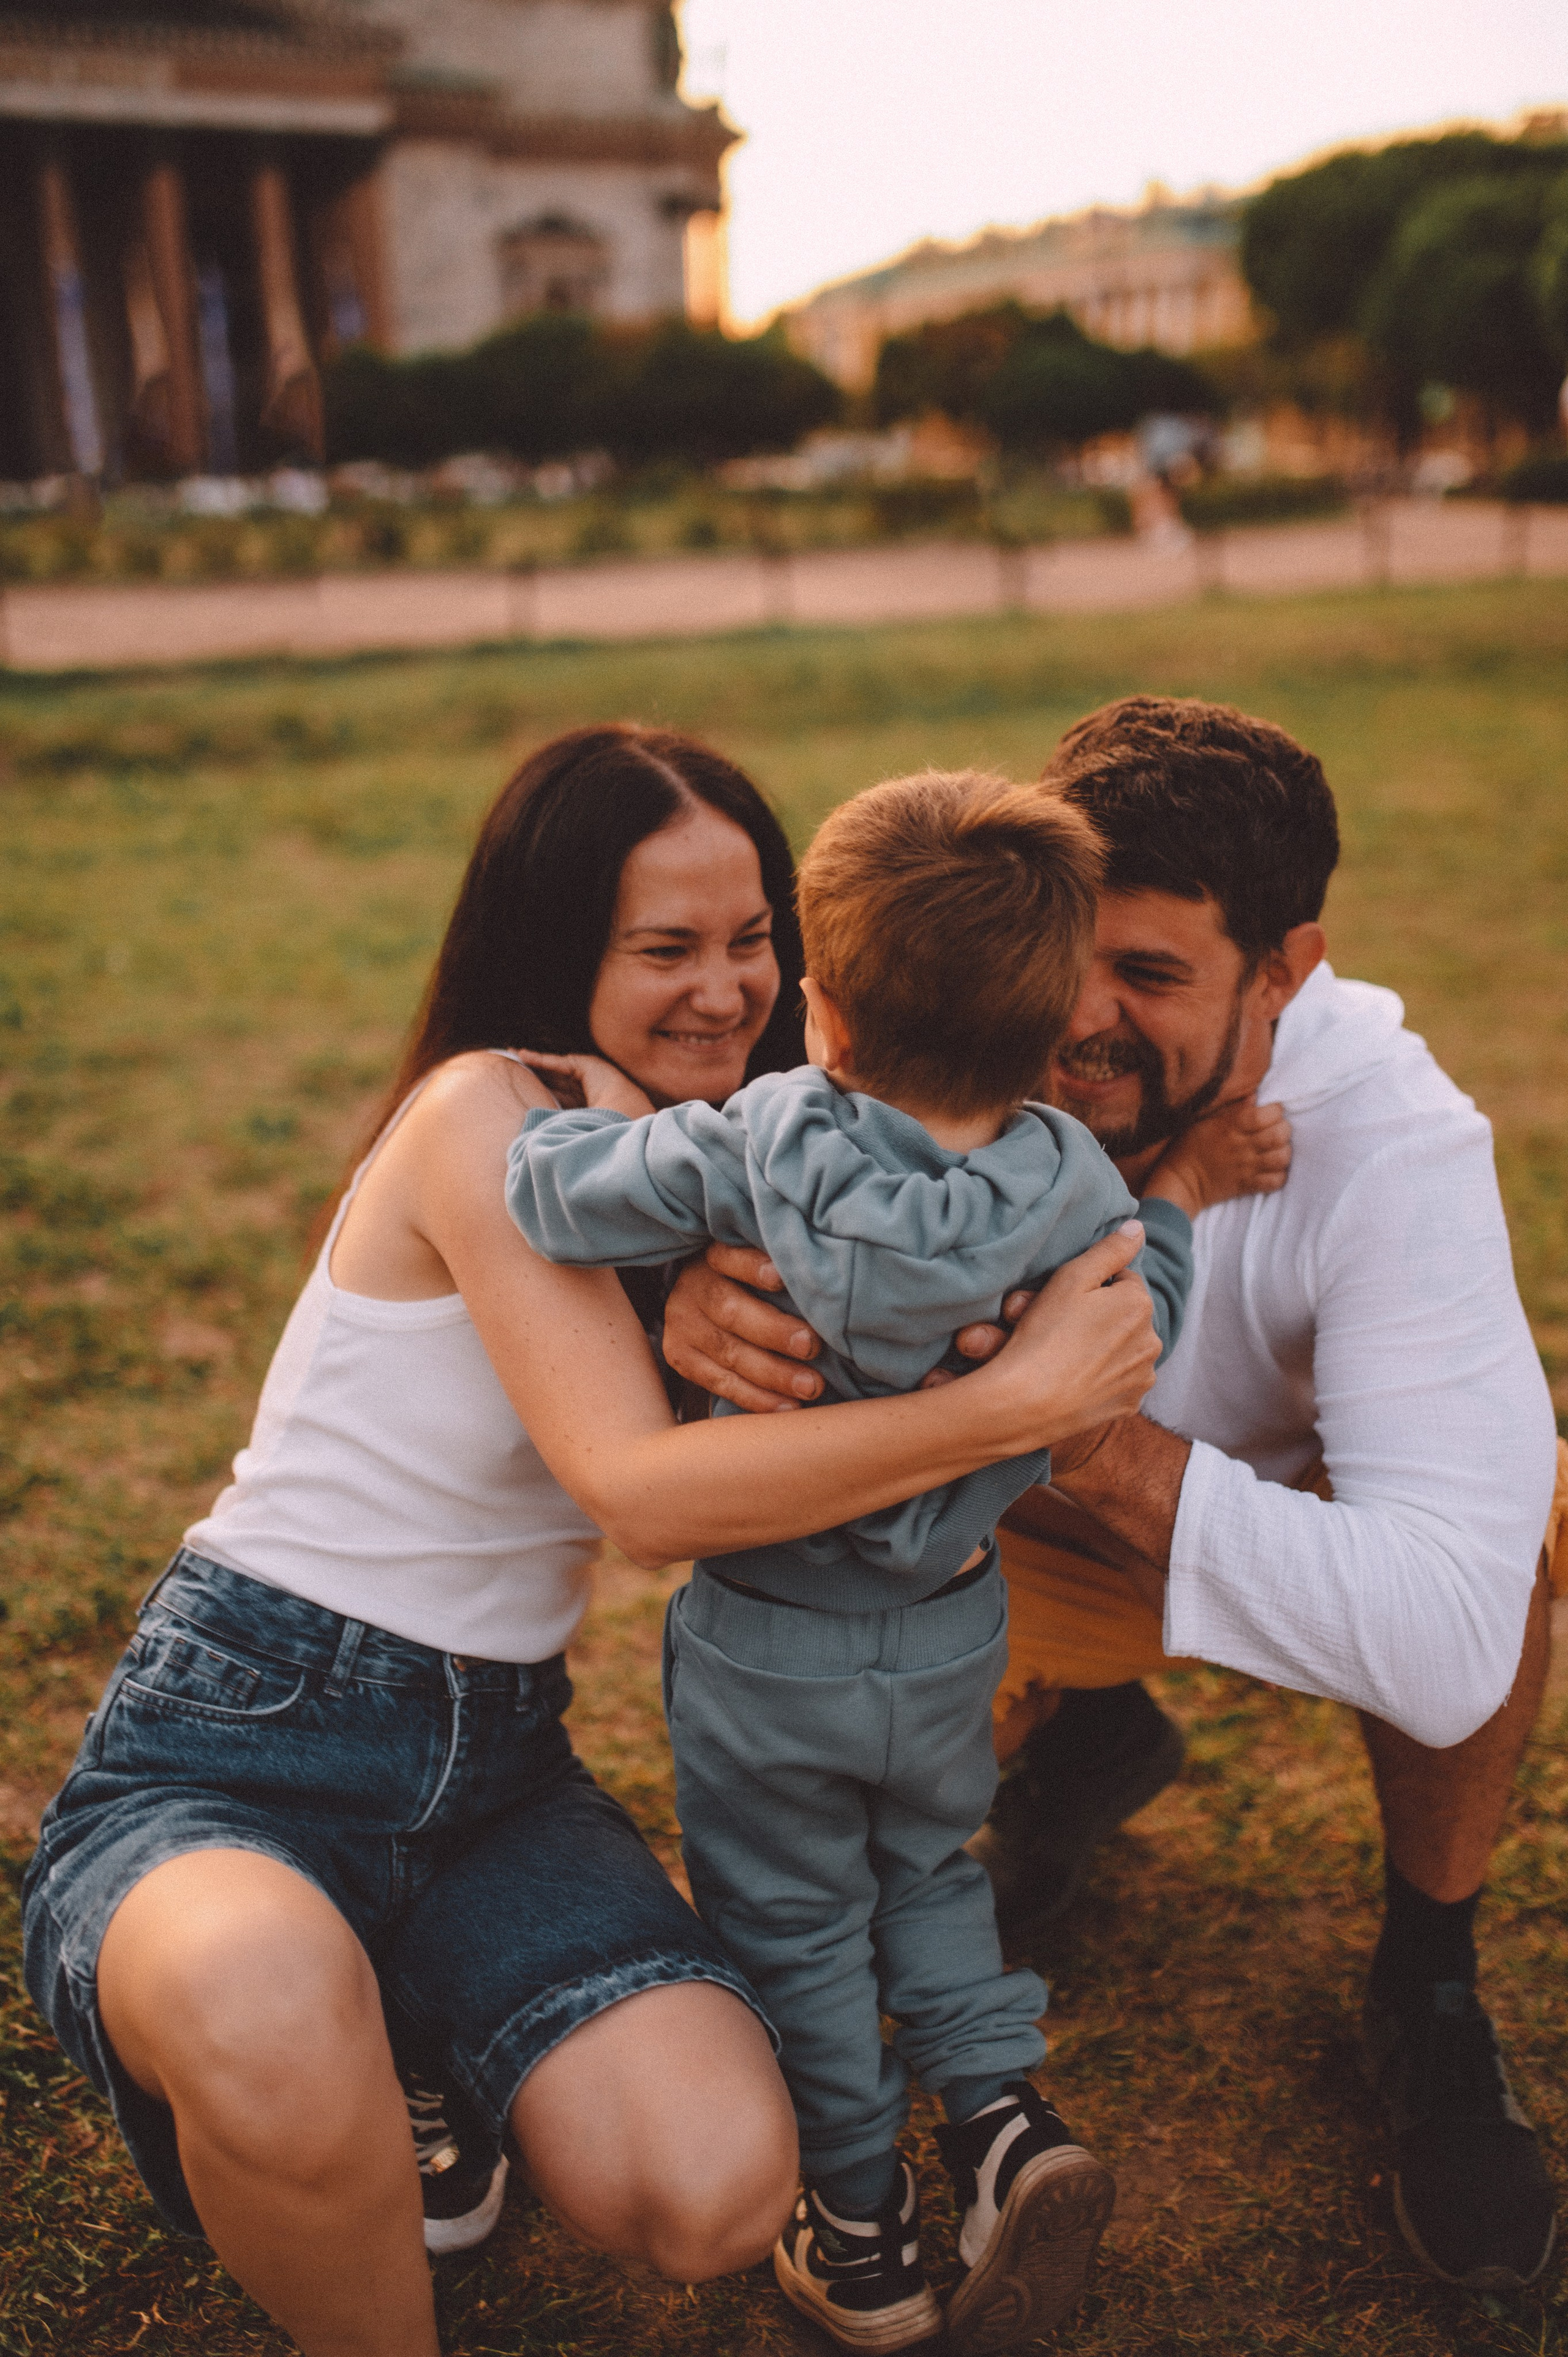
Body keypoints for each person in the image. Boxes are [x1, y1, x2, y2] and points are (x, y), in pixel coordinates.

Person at [22, 725, 1165, 2357]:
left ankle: (401, 2019)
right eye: (666, 949)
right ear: (564, 946)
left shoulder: (781, 1152)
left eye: (756, 938)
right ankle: (339, 2036)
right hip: (249, 1736)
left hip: (495, 1775)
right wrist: (1020, 1402)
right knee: (268, 2006)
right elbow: (635, 1496)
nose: (726, 988)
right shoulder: (494, 1111)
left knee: (713, 2183)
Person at [659, 696, 1566, 2298]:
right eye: (1075, 952)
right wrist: (687, 1296)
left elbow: (1440, 1640)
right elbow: (724, 1144)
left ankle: (1427, 1979)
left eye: (1151, 978)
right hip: (997, 1527)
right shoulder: (969, 1001)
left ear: (1288, 969)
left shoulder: (1394, 1140)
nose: (1078, 1020)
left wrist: (1083, 1432)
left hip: (1234, 1503)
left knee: (1519, 1529)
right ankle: (1074, 1738)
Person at [505, 768, 1289, 2355]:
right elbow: (1144, 1325)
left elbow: (548, 1196)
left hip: (765, 1641)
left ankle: (861, 2230)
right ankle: (1000, 2117)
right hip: (946, 1641)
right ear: (1055, 1022)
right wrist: (1187, 1199)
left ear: (827, 1014)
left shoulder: (757, 1141)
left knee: (791, 1920)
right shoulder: (1074, 1182)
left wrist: (572, 1136)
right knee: (926, 1874)